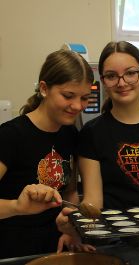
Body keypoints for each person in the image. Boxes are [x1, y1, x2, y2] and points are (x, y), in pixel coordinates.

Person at [57, 41, 139, 263]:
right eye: (111, 76)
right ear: (103, 81)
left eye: (130, 74)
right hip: (112, 245)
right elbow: (93, 201)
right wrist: (75, 221)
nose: (122, 83)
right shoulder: (92, 133)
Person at [0, 49, 93, 258]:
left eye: (85, 98)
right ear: (44, 88)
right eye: (68, 96)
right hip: (13, 250)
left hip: (55, 246)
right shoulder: (10, 136)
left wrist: (71, 230)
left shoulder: (70, 133)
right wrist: (17, 206)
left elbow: (69, 192)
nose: (78, 106)